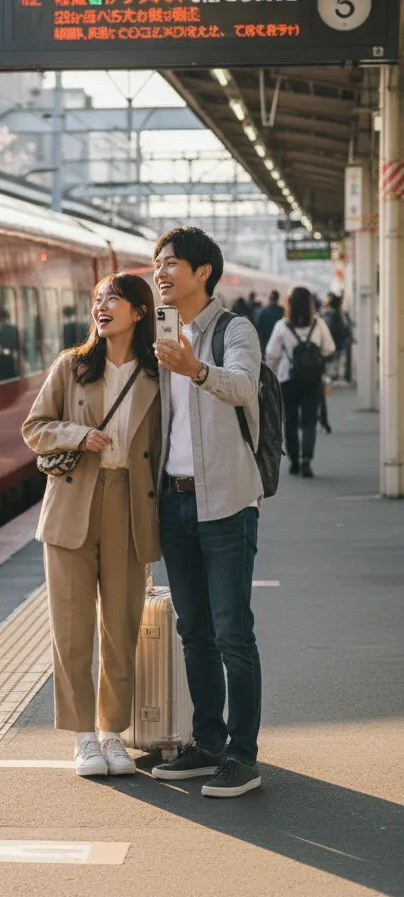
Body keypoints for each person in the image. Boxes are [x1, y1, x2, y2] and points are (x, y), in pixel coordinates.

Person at [22, 274, 161, 778]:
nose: (101, 306)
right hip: (71, 505)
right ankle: (83, 737)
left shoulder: (156, 374)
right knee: (73, 629)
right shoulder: (72, 366)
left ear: (139, 312)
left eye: (114, 299)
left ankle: (113, 734)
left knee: (122, 629)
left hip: (130, 504)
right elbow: (33, 429)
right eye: (98, 298)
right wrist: (78, 435)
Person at [150, 226, 265, 798]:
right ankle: (207, 743)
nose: (161, 271)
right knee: (193, 630)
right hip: (175, 501)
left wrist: (195, 368)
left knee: (232, 633)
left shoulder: (233, 329)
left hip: (224, 503)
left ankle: (243, 757)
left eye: (172, 263)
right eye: (157, 262)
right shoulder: (159, 333)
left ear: (203, 273)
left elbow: (244, 386)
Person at [266, 287, 336, 478]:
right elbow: (329, 349)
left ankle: (294, 461)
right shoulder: (318, 324)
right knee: (309, 421)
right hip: (312, 380)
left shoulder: (282, 326)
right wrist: (314, 356)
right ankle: (307, 460)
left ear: (290, 304)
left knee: (290, 422)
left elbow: (271, 354)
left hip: (287, 380)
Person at [322, 293, 352, 383]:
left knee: (331, 362)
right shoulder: (342, 315)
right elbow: (347, 328)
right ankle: (342, 376)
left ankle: (332, 376)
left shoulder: (325, 315)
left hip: (332, 342)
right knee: (339, 361)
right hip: (340, 342)